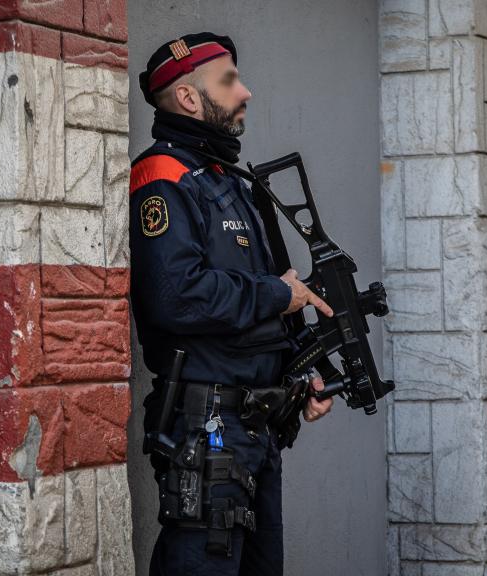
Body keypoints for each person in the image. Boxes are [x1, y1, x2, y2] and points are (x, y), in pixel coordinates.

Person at [130, 32, 335, 576]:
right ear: (190, 99)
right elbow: (176, 297)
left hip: (258, 427)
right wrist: (277, 293)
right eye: (229, 80)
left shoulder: (231, 183)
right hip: (209, 428)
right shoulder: (164, 178)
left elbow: (272, 300)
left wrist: (301, 374)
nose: (245, 92)